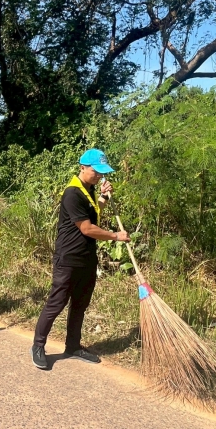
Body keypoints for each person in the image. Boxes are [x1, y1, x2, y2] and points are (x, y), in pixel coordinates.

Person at [31, 149, 131, 369]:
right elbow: (86, 228)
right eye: (96, 171)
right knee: (56, 303)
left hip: (87, 258)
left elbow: (92, 213)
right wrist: (116, 236)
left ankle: (73, 346)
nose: (99, 176)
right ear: (83, 168)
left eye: (102, 172)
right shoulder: (72, 193)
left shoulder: (89, 189)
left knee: (80, 304)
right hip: (68, 258)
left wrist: (103, 197)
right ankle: (38, 346)